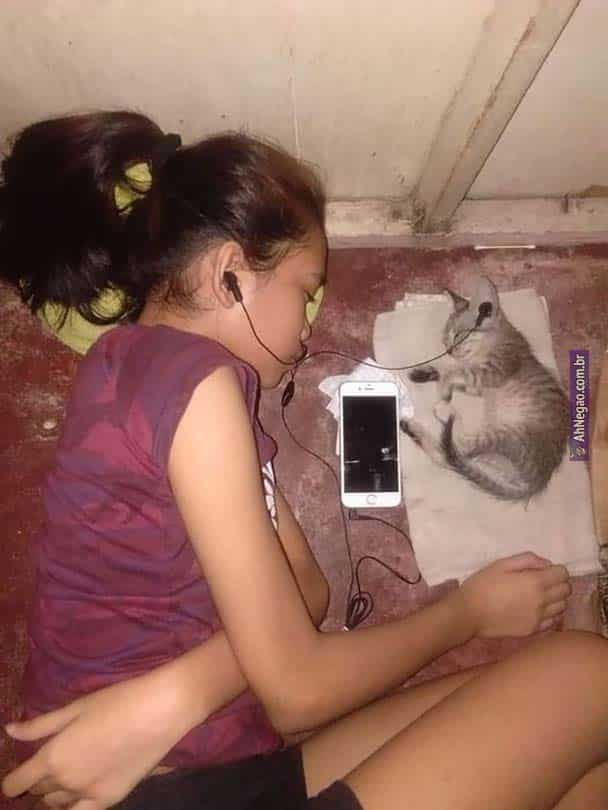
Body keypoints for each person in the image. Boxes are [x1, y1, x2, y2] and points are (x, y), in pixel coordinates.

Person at [1, 110, 608, 810]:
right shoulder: (186, 381)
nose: (310, 324)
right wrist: (467, 614)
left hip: (218, 768)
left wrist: (176, 695)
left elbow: (310, 592)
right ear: (230, 275)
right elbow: (297, 690)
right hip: (163, 792)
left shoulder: (191, 392)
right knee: (587, 679)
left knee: (577, 752)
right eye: (305, 287)